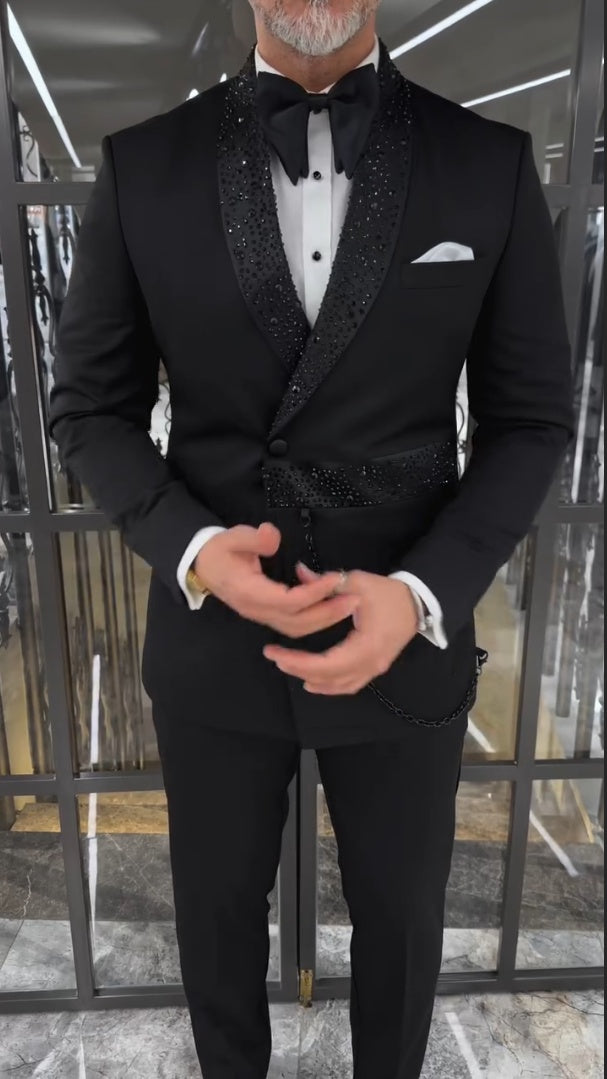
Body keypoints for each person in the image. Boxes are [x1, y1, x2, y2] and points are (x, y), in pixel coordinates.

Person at [48, 1, 575, 1075]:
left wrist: (422, 592)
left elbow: (529, 419)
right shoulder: (142, 166)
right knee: (214, 934)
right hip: (211, 639)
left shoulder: (487, 162)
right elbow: (90, 409)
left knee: (404, 929)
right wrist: (193, 550)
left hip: (406, 639)